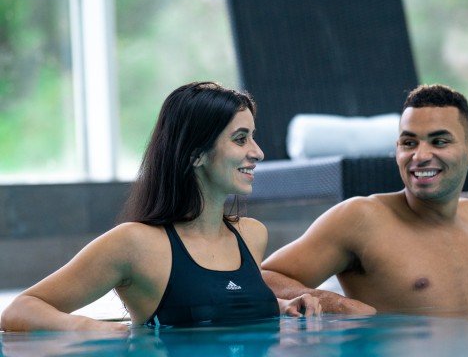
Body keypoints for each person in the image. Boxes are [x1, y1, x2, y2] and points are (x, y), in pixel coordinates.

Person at [0, 81, 320, 331]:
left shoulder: (252, 235)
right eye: (240, 139)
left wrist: (279, 305)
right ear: (195, 154)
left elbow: (215, 299)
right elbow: (20, 310)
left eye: (253, 136)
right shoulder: (135, 244)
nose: (258, 152)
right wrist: (92, 328)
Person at [262, 84, 468, 315]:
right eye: (408, 142)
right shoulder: (361, 218)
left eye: (439, 141)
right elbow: (260, 278)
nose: (421, 155)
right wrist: (336, 303)